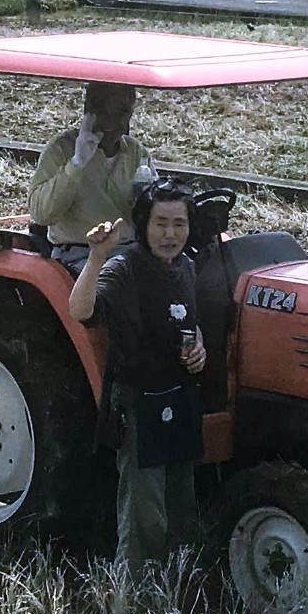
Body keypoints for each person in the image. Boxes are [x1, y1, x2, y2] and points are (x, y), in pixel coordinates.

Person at [69, 179, 207, 570]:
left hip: (180, 400)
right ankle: (134, 603)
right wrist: (96, 258)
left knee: (182, 508)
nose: (170, 234)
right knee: (145, 517)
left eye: (179, 224)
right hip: (140, 405)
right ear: (144, 225)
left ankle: (176, 591)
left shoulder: (186, 268)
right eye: (160, 223)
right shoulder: (123, 268)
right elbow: (80, 311)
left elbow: (188, 320)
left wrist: (200, 346)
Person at [29, 82, 154, 273]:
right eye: (102, 112)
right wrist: (78, 162)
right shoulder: (62, 149)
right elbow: (41, 214)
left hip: (131, 252)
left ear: (130, 114)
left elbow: (154, 211)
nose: (111, 123)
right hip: (79, 255)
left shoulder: (136, 152)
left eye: (120, 113)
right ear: (88, 111)